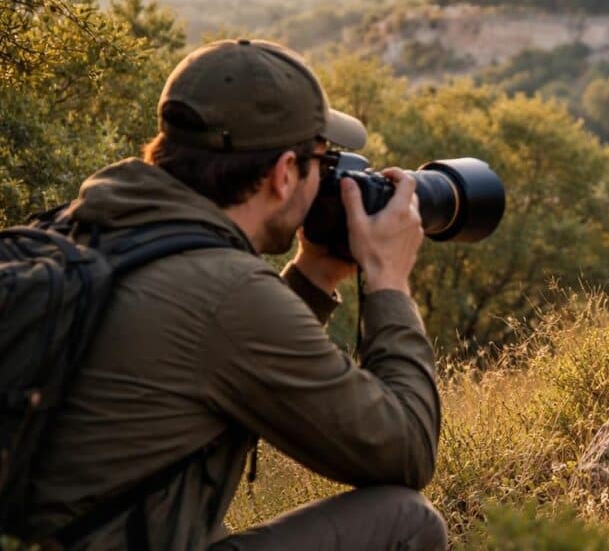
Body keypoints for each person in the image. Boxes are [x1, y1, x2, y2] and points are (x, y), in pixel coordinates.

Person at [22, 39, 447, 550]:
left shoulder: (86, 227)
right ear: (285, 173)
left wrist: (313, 273)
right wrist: (389, 278)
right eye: (324, 159)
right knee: (405, 519)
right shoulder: (225, 292)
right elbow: (406, 451)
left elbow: (227, 353)